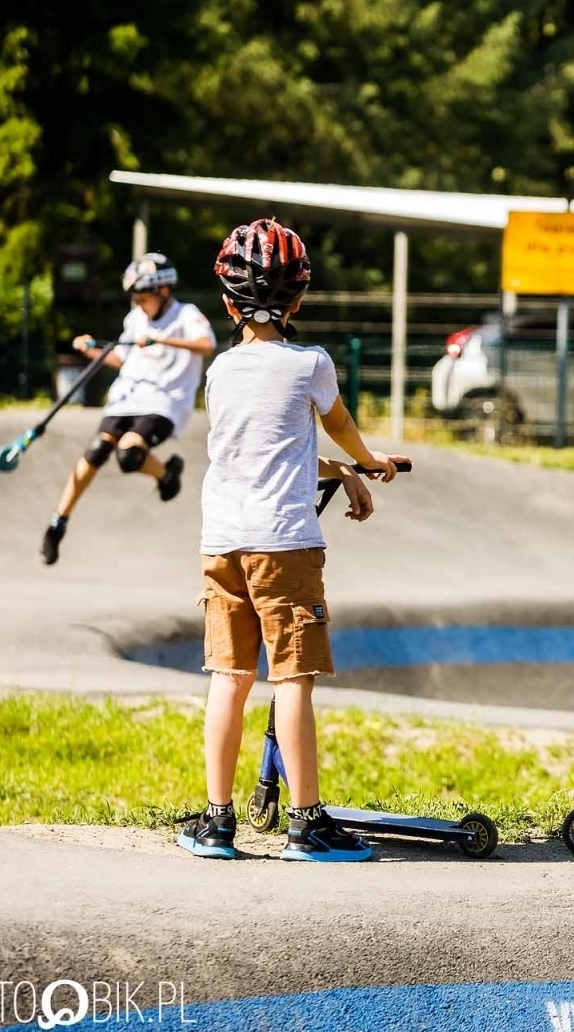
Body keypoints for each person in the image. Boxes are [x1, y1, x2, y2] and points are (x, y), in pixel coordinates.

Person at [176, 217, 402, 862]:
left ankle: (218, 824)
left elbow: (263, 447)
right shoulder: (312, 363)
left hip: (221, 543)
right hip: (284, 545)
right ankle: (307, 824)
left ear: (227, 302)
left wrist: (336, 474)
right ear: (298, 300)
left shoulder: (221, 371)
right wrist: (369, 462)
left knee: (229, 677)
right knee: (293, 680)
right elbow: (339, 428)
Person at [41, 252, 216, 565]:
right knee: (96, 450)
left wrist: (162, 340)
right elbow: (122, 358)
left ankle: (166, 475)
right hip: (128, 396)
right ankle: (58, 522)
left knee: (129, 455)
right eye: (135, 298)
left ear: (163, 292)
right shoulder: (135, 319)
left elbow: (207, 345)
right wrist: (91, 350)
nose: (138, 304)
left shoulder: (185, 314)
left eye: (143, 297)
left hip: (164, 400)